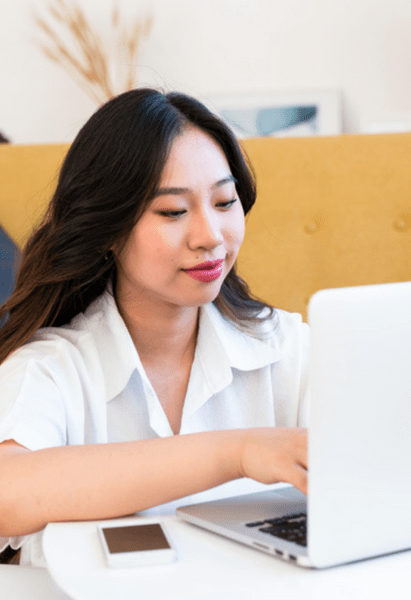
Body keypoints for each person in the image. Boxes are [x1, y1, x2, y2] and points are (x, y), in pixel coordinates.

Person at [0, 88, 308, 567]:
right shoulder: (52, 367)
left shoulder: (286, 348)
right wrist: (240, 452)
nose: (210, 236)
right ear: (108, 228)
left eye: (224, 202)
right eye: (173, 212)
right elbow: (8, 493)